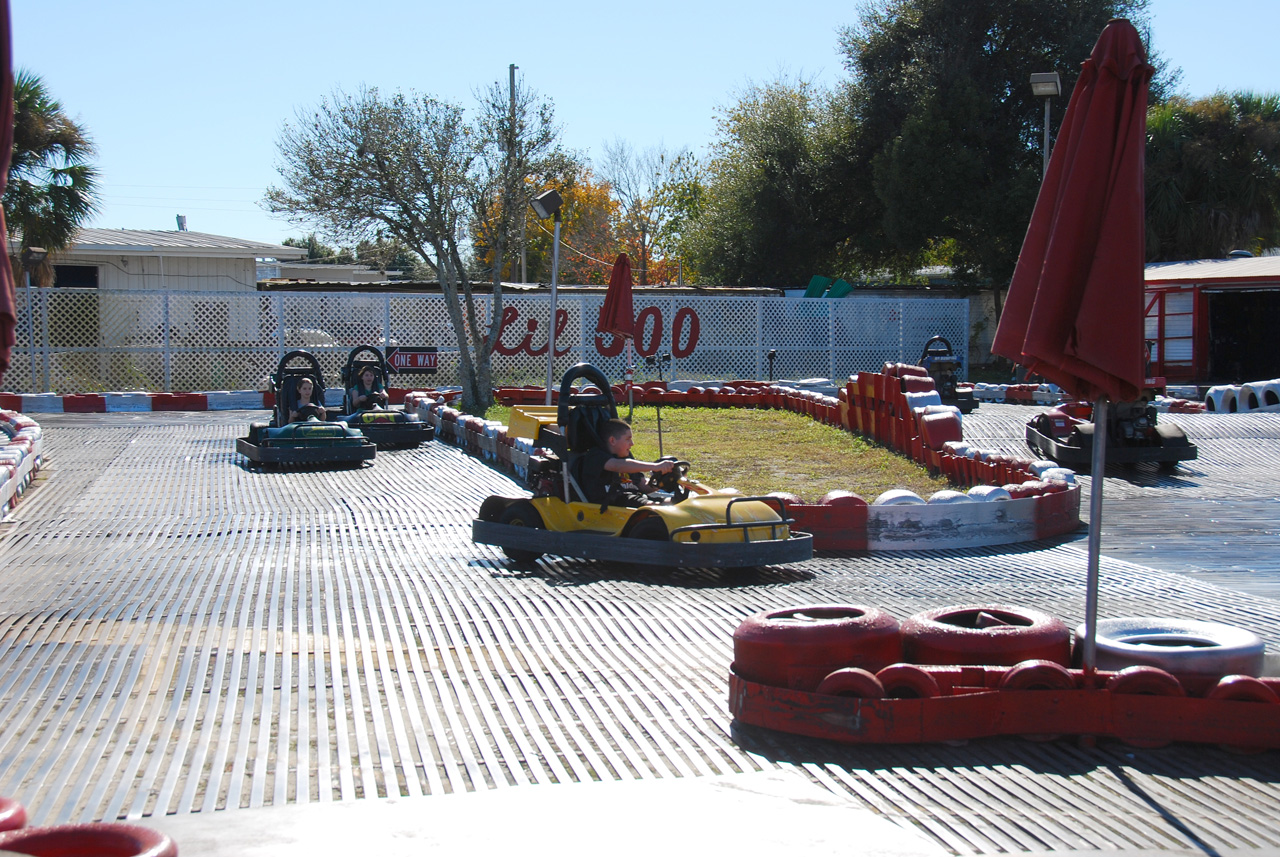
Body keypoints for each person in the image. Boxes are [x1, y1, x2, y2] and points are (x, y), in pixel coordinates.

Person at [577, 418, 674, 507]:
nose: (632, 443)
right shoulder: (596, 456)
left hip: (634, 498)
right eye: (628, 439)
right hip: (612, 502)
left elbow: (642, 485)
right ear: (612, 440)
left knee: (674, 501)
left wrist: (663, 482)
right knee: (657, 507)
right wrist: (656, 466)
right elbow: (618, 466)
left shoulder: (625, 456)